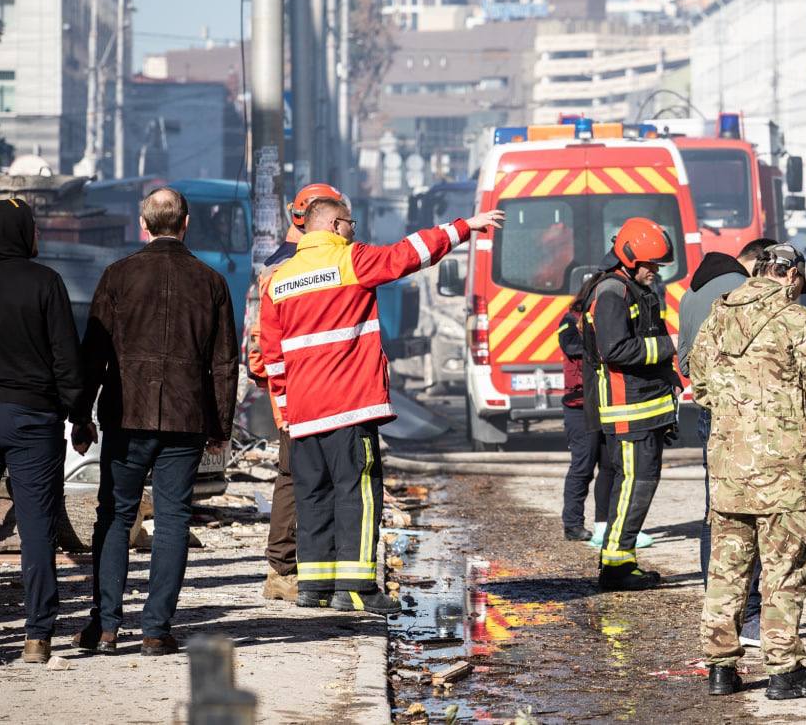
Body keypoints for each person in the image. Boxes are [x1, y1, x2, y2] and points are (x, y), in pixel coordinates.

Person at [259, 197, 502, 614]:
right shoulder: (351, 260)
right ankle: (355, 588)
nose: (354, 229)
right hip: (349, 406)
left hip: (302, 415)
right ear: (335, 225)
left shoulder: (278, 280)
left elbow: (272, 357)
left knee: (313, 496)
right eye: (350, 223)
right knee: (357, 493)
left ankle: (315, 587)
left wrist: (284, 411)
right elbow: (410, 253)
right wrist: (465, 227)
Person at [72, 188, 239, 656]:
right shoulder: (211, 282)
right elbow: (225, 363)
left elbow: (94, 357)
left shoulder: (117, 277)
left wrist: (81, 416)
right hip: (186, 420)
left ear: (142, 224)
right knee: (171, 521)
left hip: (126, 416)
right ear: (186, 224)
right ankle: (154, 630)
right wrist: (219, 426)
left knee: (115, 515)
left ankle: (105, 628)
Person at [690, 243, 806, 700]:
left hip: (729, 465)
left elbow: (698, 384)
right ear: (792, 276)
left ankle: (720, 667)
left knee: (727, 570)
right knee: (786, 570)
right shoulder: (798, 320)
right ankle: (784, 672)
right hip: (786, 469)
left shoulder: (716, 316)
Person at [246, 182, 345, 604]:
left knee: (303, 478)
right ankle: (284, 570)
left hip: (296, 389)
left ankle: (298, 567)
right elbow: (259, 349)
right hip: (301, 392)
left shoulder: (281, 265)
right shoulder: (289, 269)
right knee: (296, 479)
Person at [0, 199, 83, 664]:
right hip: (34, 419)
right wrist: (78, 414)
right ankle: (37, 636)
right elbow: (65, 357)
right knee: (36, 528)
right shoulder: (46, 283)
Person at [677, 237, 773, 644]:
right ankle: (750, 614)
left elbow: (684, 361)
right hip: (751, 416)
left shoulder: (690, 295)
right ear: (753, 265)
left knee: (716, 510)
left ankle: (716, 605)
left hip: (708, 415)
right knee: (757, 510)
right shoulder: (745, 293)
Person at [581, 217, 682, 592]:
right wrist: (671, 346)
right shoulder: (611, 292)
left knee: (641, 483)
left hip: (645, 405)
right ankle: (616, 566)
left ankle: (621, 561)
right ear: (628, 258)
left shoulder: (630, 288)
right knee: (634, 484)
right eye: (651, 266)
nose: (655, 272)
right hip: (626, 406)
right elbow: (615, 349)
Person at [559, 273, 618, 545]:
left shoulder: (604, 319)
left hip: (606, 403)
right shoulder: (571, 319)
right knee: (583, 467)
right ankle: (572, 525)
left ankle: (605, 526)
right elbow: (570, 345)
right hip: (580, 406)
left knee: (609, 466)